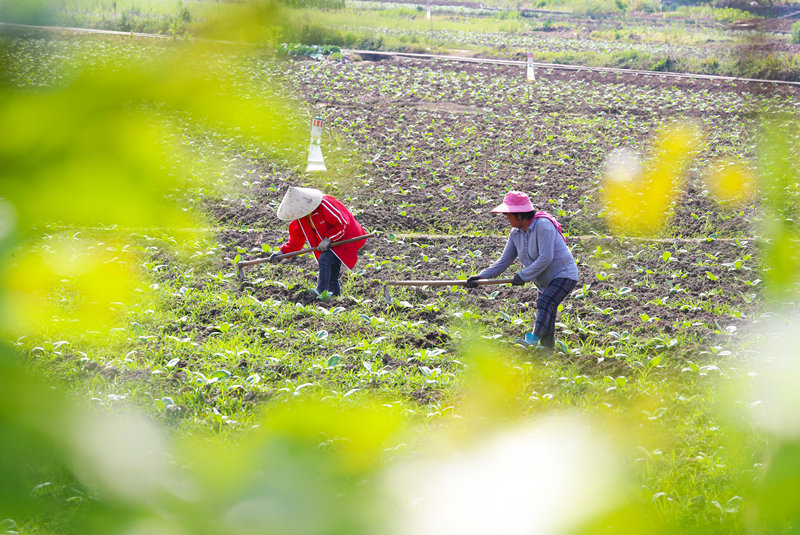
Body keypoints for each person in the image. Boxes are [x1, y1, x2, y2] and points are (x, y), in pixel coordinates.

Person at [466, 191, 578, 349]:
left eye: (508, 215)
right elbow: (504, 261)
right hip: (544, 281)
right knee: (548, 312)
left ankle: (532, 341)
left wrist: (523, 275)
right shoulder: (515, 234)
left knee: (545, 302)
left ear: (519, 214)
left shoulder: (543, 226)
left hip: (563, 275)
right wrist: (480, 277)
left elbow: (546, 257)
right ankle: (547, 351)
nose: (507, 219)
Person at [270, 186, 366, 297]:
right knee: (331, 271)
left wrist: (327, 239)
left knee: (325, 259)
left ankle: (320, 293)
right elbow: (295, 241)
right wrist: (281, 253)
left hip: (346, 237)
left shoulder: (325, 205)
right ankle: (334, 298)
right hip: (331, 242)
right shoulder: (301, 219)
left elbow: (342, 223)